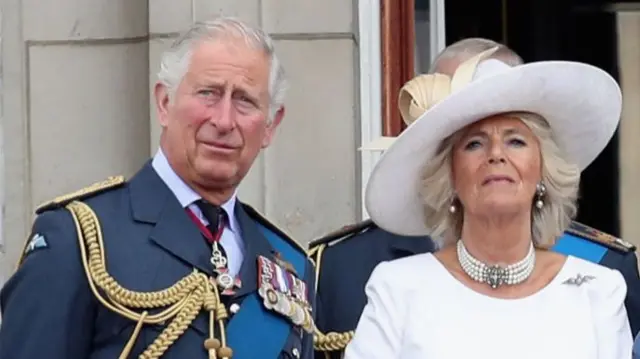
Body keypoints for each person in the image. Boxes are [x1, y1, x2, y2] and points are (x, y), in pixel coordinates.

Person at [0, 17, 315, 359]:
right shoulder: (78, 240)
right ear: (165, 103)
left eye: (245, 101)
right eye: (208, 93)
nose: (224, 121)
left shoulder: (291, 266)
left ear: (270, 126)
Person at [310, 38, 640, 359]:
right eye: (474, 144)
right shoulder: (397, 287)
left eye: (516, 141)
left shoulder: (598, 290)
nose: (496, 154)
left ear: (543, 170)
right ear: (450, 177)